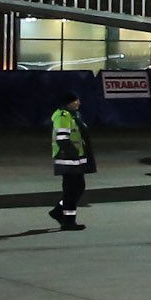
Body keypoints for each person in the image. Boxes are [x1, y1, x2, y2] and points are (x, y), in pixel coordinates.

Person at [48, 91, 95, 231]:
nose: (78, 103)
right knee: (72, 190)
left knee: (77, 188)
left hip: (75, 159)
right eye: (76, 101)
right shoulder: (63, 116)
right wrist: (73, 154)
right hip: (68, 160)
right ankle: (68, 220)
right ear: (68, 103)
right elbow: (62, 139)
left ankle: (59, 211)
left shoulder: (73, 115)